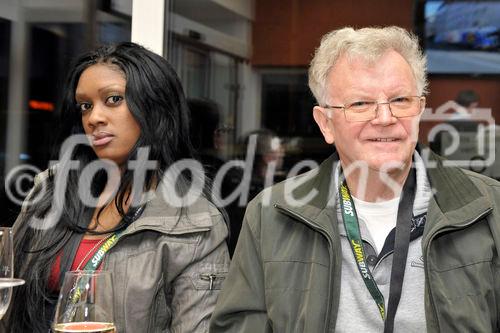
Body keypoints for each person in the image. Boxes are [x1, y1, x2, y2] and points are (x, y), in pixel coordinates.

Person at [210, 26, 500, 332]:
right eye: (360, 104)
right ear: (326, 124)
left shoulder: (489, 207)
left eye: (400, 99)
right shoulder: (271, 216)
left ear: (420, 110)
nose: (385, 118)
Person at [6, 42, 229, 333]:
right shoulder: (51, 189)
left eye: (112, 99)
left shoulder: (195, 223)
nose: (94, 118)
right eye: (85, 106)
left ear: (154, 108)